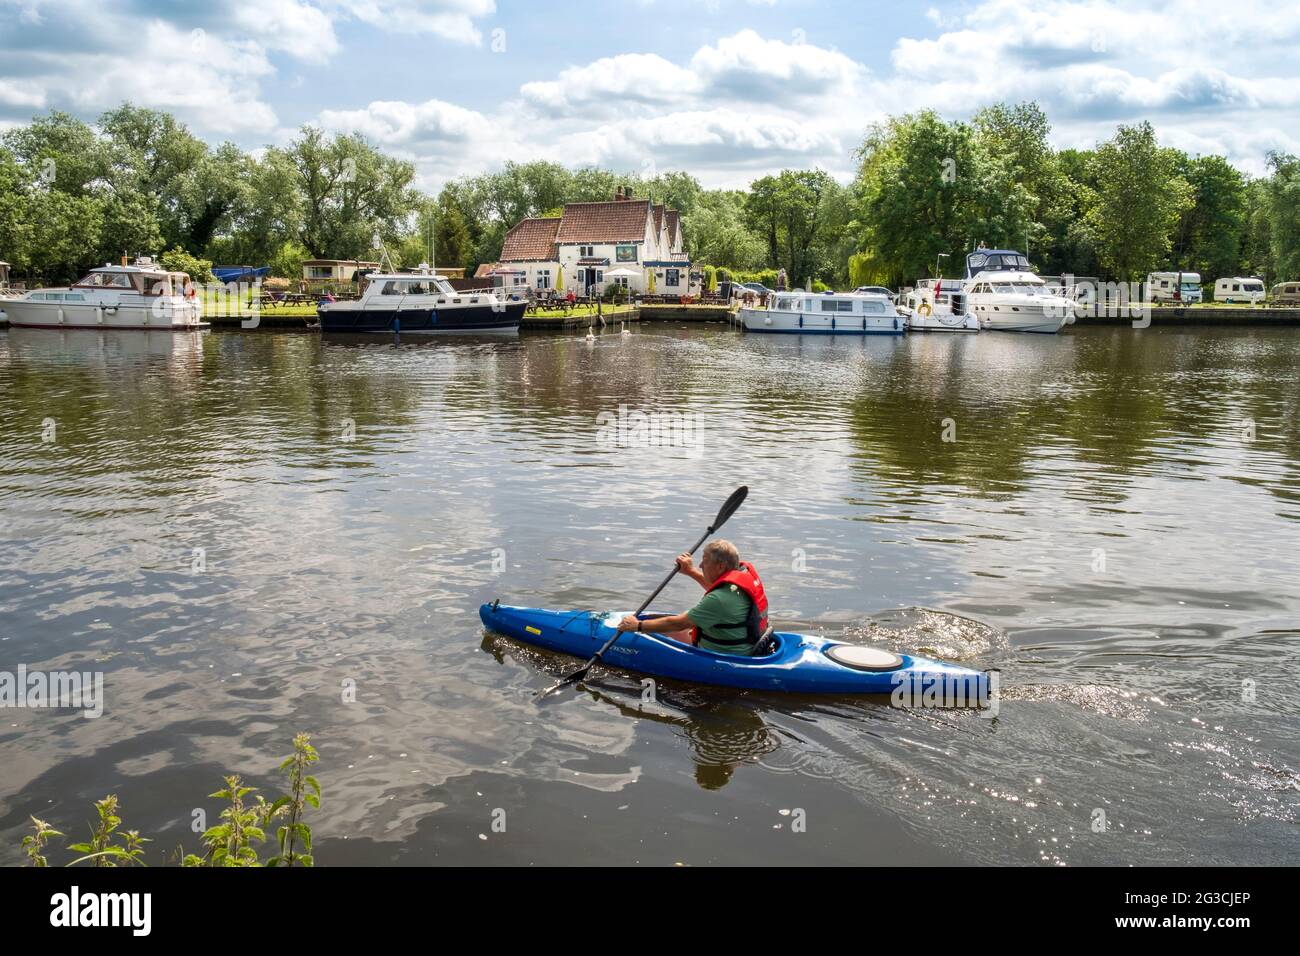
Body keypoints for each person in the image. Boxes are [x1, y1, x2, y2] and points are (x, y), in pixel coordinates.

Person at [616, 540, 770, 656]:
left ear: (721, 566)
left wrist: (637, 626)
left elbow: (679, 623)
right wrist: (690, 571)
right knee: (682, 627)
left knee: (669, 630)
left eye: (705, 560)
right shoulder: (741, 579)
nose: (701, 565)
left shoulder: (719, 599)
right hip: (749, 645)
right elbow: (717, 591)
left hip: (727, 654)